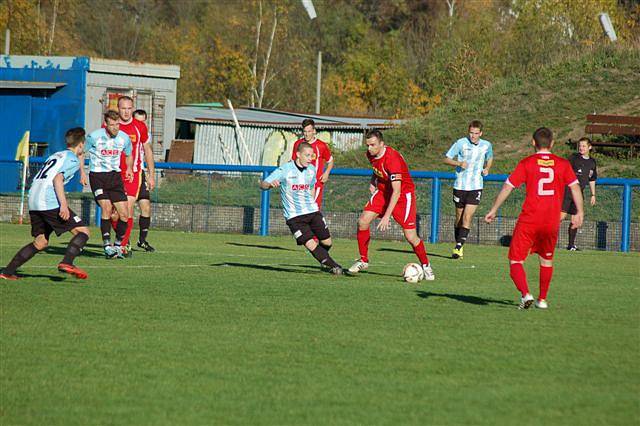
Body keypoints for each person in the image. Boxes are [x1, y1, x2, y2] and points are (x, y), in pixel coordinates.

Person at [484, 127, 583, 310]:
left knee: (516, 260)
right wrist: (579, 213)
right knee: (546, 260)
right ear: (552, 143)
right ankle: (542, 300)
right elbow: (575, 188)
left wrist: (494, 209)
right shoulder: (562, 164)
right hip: (551, 222)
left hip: (529, 220)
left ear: (533, 143)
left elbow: (508, 187)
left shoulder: (527, 163)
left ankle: (525, 294)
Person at [1, 128, 91, 280]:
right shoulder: (72, 160)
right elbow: (57, 179)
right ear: (81, 144)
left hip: (34, 199)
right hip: (48, 201)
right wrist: (63, 205)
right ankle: (67, 262)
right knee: (83, 232)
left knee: (41, 241)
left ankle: (7, 272)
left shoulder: (57, 155)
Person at [348, 129, 434, 280]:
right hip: (383, 191)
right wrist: (372, 180)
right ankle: (363, 260)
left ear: (382, 144)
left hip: (402, 196)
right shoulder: (371, 154)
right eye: (367, 145)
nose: (369, 148)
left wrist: (386, 216)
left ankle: (426, 266)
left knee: (411, 236)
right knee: (363, 221)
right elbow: (377, 168)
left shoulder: (392, 159)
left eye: (373, 145)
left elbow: (397, 191)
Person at [260, 142, 343, 275]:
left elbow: (311, 188)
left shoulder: (311, 169)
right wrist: (269, 185)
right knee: (310, 243)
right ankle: (335, 266)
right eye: (307, 155)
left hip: (312, 211)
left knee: (327, 242)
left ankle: (323, 258)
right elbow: (263, 184)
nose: (310, 158)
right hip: (294, 217)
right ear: (298, 155)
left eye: (312, 155)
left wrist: (314, 206)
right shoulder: (285, 170)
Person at [80, 110, 133, 259]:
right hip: (97, 176)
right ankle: (106, 246)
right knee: (107, 208)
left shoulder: (124, 138)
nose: (116, 127)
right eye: (112, 124)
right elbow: (81, 153)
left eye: (118, 124)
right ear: (106, 124)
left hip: (115, 177)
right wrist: (82, 172)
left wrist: (129, 168)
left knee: (124, 214)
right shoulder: (94, 137)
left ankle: (117, 246)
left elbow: (129, 154)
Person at [111, 98, 156, 253]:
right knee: (113, 214)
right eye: (123, 108)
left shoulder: (139, 127)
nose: (126, 111)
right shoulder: (110, 126)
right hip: (113, 174)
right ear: (118, 108)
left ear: (132, 108)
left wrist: (151, 174)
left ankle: (122, 245)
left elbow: (148, 150)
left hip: (134, 174)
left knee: (127, 209)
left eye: (129, 108)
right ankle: (122, 240)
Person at [443, 120, 493, 259]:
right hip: (460, 185)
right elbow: (446, 159)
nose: (473, 136)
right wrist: (459, 163)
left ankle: (458, 247)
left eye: (476, 133)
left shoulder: (486, 145)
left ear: (480, 133)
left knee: (467, 216)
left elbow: (490, 158)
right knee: (459, 217)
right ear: (468, 131)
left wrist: (487, 168)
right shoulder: (461, 143)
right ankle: (459, 243)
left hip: (476, 186)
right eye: (471, 133)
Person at [561, 137, 597, 251]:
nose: (581, 148)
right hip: (567, 191)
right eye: (580, 146)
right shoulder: (574, 158)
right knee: (560, 217)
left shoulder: (592, 162)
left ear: (589, 147)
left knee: (576, 219)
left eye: (584, 146)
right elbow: (563, 170)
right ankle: (543, 240)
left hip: (579, 193)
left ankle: (571, 245)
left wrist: (593, 194)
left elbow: (592, 179)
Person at [291, 118, 334, 208]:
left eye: (309, 131)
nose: (307, 134)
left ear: (314, 131)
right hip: (300, 184)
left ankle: (318, 221)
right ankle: (319, 221)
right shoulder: (298, 144)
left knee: (311, 209)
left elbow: (330, 161)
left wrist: (326, 173)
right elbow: (293, 162)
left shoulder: (321, 145)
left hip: (316, 183)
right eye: (305, 131)